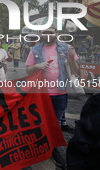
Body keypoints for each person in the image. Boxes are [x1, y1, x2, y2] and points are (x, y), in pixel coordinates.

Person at [25, 24, 79, 169]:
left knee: (55, 124)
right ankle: (43, 147)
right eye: (44, 33)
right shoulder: (35, 49)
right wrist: (37, 66)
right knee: (42, 122)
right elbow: (28, 69)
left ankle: (51, 148)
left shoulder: (66, 48)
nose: (47, 35)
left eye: (50, 32)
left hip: (61, 93)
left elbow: (75, 71)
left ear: (56, 33)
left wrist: (72, 57)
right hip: (41, 93)